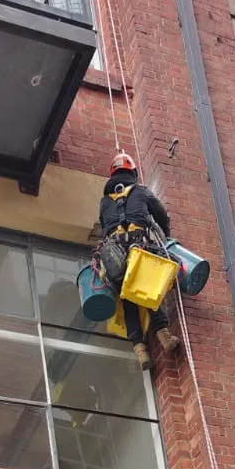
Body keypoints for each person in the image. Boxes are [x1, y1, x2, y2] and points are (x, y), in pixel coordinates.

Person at [97, 152, 180, 371]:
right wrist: (167, 237)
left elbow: (104, 226)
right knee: (148, 289)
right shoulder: (141, 191)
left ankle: (140, 349)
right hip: (139, 248)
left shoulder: (105, 201)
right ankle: (163, 335)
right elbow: (162, 216)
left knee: (128, 300)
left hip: (115, 257)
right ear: (132, 172)